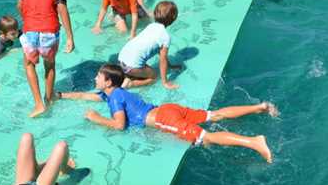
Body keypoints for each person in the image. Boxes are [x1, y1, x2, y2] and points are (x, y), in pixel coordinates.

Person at [59, 64, 278, 163]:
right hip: (168, 109)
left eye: (98, 76)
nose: (95, 79)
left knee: (206, 137)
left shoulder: (115, 97)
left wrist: (95, 118)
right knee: (214, 115)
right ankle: (260, 107)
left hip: (163, 119)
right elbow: (87, 97)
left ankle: (255, 142)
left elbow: (119, 125)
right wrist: (60, 95)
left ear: (108, 81)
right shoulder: (116, 92)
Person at [17, 0, 75, 118]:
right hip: (50, 30)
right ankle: (49, 98)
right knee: (49, 65)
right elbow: (62, 8)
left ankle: (38, 105)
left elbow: (20, 4)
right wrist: (70, 37)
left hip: (30, 30)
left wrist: (28, 19)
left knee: (29, 65)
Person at [117, 0, 179, 89]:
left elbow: (160, 52)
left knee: (136, 66)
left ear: (155, 13)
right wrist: (165, 82)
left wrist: (170, 66)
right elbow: (163, 60)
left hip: (121, 59)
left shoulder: (151, 26)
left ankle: (128, 75)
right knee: (154, 77)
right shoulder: (165, 37)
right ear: (173, 18)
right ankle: (131, 84)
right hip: (132, 66)